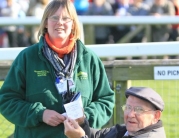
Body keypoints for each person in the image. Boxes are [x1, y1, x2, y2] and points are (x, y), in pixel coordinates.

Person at [0, 0, 115, 138]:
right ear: (46, 23)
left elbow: (106, 100)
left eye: (66, 18)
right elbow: (6, 100)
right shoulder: (27, 57)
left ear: (73, 24)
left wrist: (85, 117)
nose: (60, 22)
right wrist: (39, 114)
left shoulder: (89, 58)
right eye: (54, 17)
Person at [64, 86, 166, 138]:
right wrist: (81, 122)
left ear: (156, 116)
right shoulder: (125, 131)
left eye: (139, 110)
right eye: (128, 107)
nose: (130, 114)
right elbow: (98, 136)